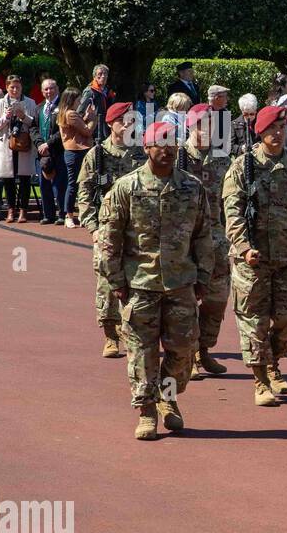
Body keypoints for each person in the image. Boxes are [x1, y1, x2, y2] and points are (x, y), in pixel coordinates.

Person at [97, 121, 213, 440]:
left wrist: (204, 275)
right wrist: (116, 280)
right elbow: (109, 239)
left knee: (182, 350)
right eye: (159, 143)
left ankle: (168, 396)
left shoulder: (192, 187)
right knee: (141, 352)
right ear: (146, 148)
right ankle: (147, 410)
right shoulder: (127, 187)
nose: (166, 148)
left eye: (171, 142)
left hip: (181, 284)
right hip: (140, 284)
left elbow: (204, 234)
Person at [221, 104, 287, 407]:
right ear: (260, 132)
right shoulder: (243, 167)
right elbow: (233, 212)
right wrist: (243, 248)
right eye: (272, 129)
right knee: (253, 322)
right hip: (251, 261)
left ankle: (272, 363)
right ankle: (260, 380)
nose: (278, 134)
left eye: (282, 129)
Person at [77, 101, 146, 359]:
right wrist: (93, 228)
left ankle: (133, 333)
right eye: (123, 121)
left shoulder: (142, 152)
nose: (129, 125)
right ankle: (110, 335)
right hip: (107, 230)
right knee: (107, 283)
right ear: (110, 124)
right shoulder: (97, 155)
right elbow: (84, 194)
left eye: (132, 121)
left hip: (138, 230)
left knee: (138, 282)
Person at [178, 102, 233, 380]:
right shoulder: (177, 158)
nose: (209, 131)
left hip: (216, 241)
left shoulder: (224, 159)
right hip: (185, 242)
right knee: (186, 301)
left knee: (217, 299)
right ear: (191, 126)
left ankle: (204, 348)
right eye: (203, 125)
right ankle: (188, 356)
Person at [0, 75, 38, 222]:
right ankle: (11, 210)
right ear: (7, 87)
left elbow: (34, 123)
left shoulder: (30, 102)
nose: (15, 90)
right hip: (6, 144)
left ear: (21, 87)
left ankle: (23, 211)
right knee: (8, 179)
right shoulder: (0, 103)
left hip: (24, 145)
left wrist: (23, 116)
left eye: (17, 87)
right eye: (12, 87)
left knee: (25, 178)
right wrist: (6, 117)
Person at [59, 86, 97, 228]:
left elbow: (78, 127)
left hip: (74, 151)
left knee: (77, 183)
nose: (81, 101)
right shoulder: (70, 114)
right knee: (75, 184)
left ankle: (76, 214)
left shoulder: (68, 113)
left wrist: (86, 117)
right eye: (78, 99)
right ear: (72, 100)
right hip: (76, 151)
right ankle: (69, 215)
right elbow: (87, 130)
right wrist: (93, 118)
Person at [34, 77, 65, 224]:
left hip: (58, 151)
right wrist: (40, 143)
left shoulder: (63, 106)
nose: (49, 91)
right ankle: (48, 215)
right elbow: (33, 128)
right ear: (42, 91)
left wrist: (49, 144)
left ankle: (62, 214)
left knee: (59, 185)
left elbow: (63, 130)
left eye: (51, 88)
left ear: (57, 89)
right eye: (46, 89)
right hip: (42, 153)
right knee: (43, 184)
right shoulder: (39, 108)